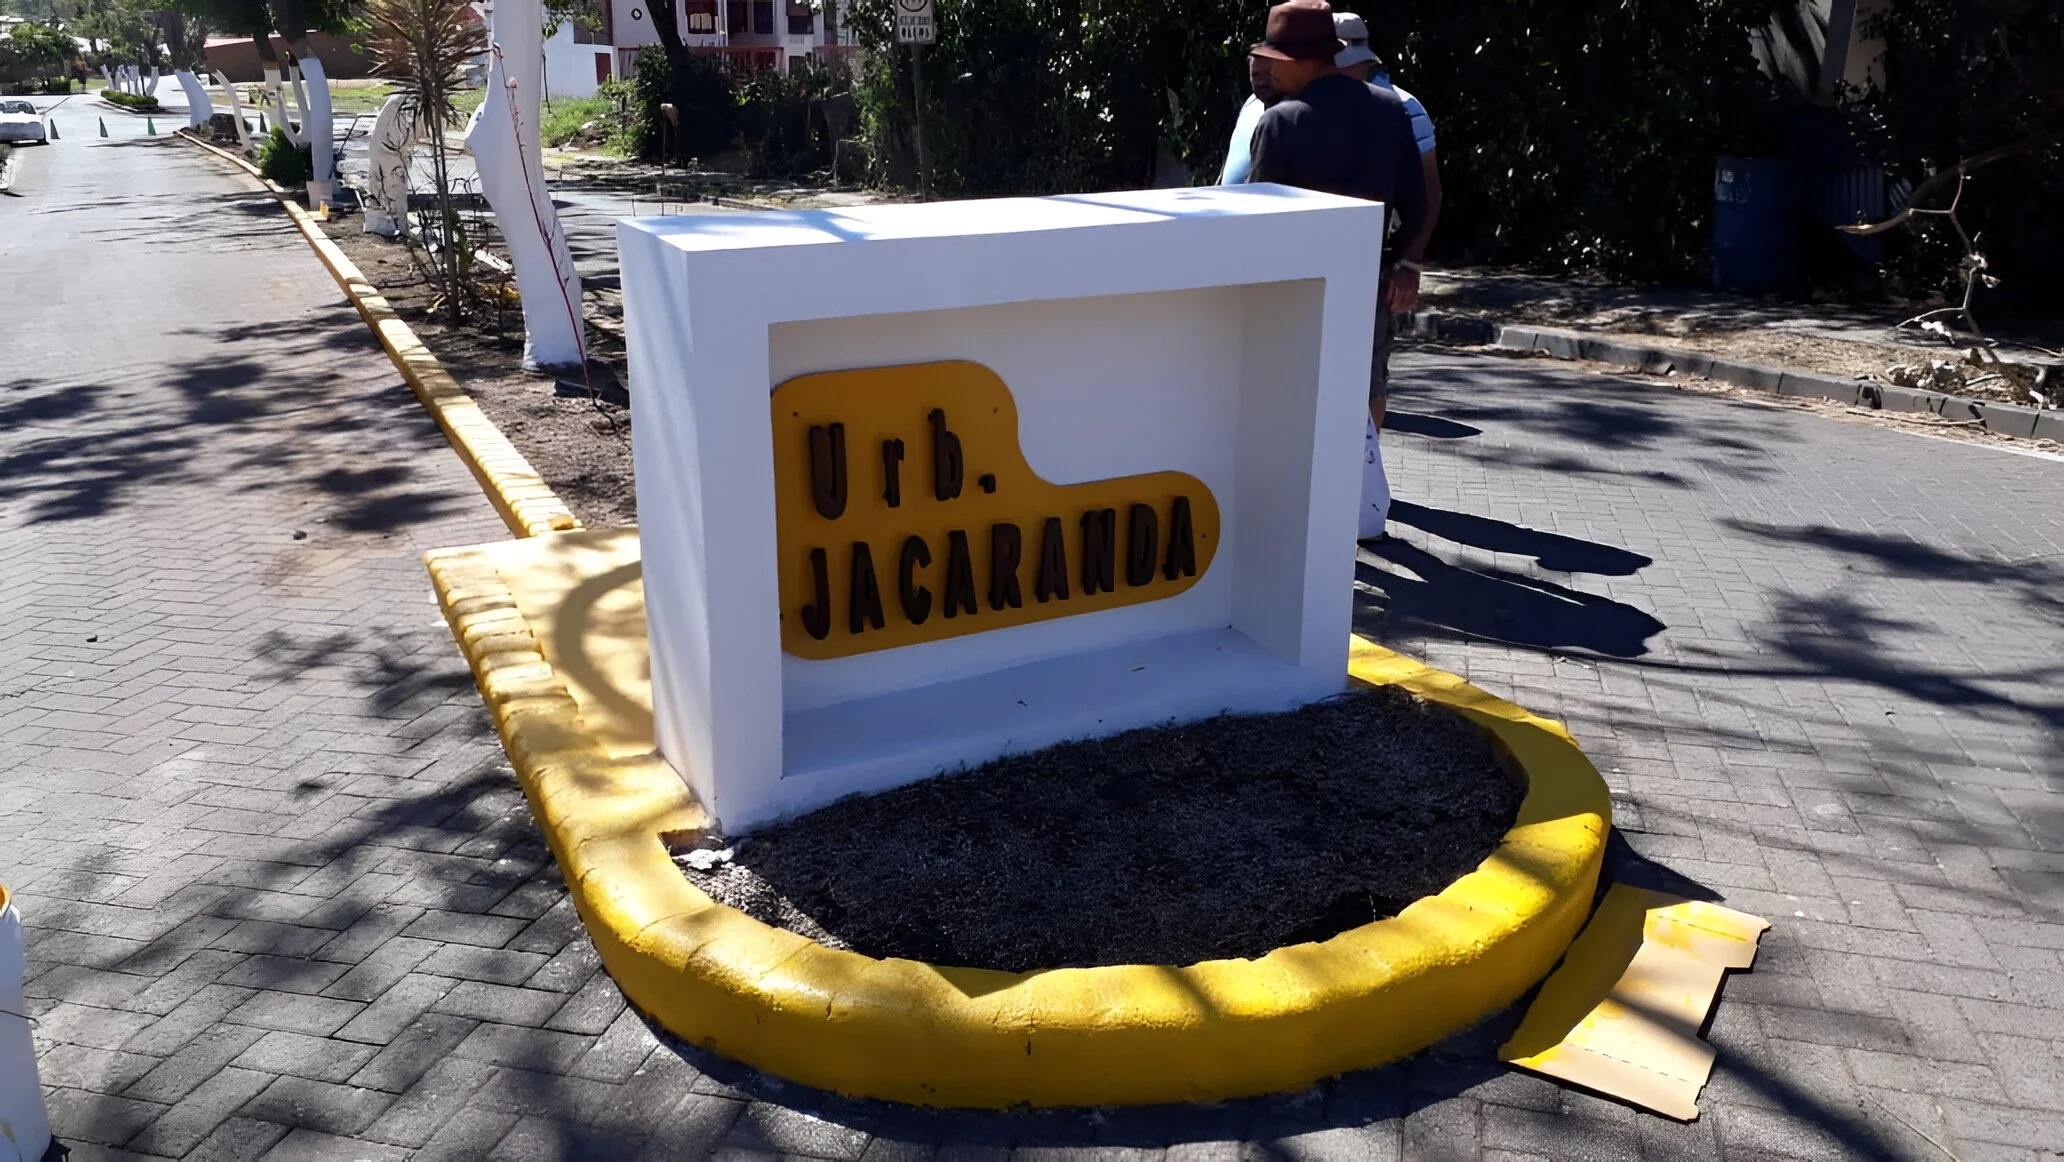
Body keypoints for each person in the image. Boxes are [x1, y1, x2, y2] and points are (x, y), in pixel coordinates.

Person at [1245, 0, 1428, 541]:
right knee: (1365, 389)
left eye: (1274, 58)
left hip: (1294, 296)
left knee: (1292, 400)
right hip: (1366, 286)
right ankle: (1359, 506)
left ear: (1298, 61)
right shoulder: (1389, 111)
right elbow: (1417, 204)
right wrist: (1404, 264)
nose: (1271, 69)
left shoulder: (1281, 123)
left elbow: (1259, 223)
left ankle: (1293, 512)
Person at [1218, 53, 1281, 186]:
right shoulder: (1251, 103)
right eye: (1255, 75)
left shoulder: (1285, 118)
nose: (1261, 82)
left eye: (1267, 74)